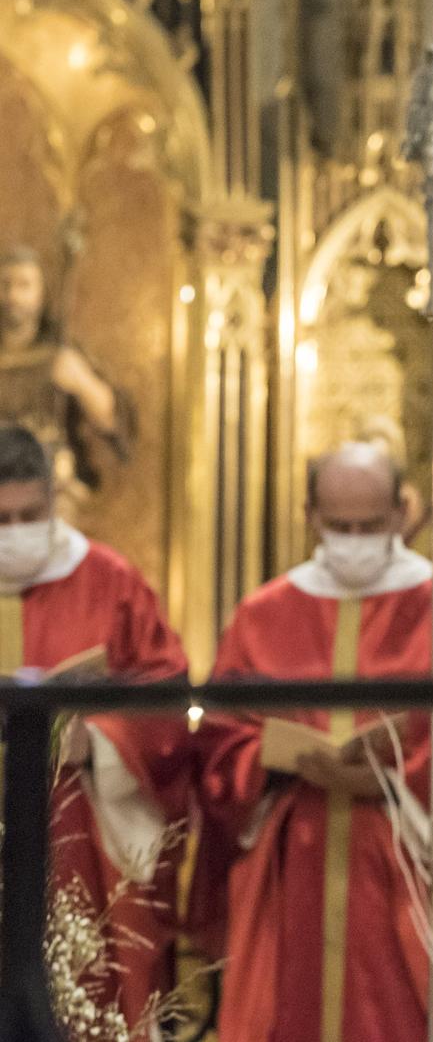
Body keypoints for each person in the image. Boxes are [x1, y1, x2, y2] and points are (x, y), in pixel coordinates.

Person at [197, 441, 433, 1042]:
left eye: (369, 525)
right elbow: (219, 740)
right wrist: (268, 759)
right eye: (339, 525)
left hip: (406, 871)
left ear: (402, 513)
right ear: (310, 514)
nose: (354, 538)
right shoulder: (262, 616)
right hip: (295, 873)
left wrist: (396, 778)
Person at [0, 423, 189, 1024]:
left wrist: (101, 740)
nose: (15, 535)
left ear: (55, 502)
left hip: (82, 833)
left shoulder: (109, 581)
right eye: (0, 519)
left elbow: (164, 695)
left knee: (86, 998)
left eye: (30, 515)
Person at [0, 246, 126, 512]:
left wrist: (82, 382)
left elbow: (112, 420)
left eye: (24, 285)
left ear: (41, 293)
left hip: (49, 487)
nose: (13, 296)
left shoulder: (61, 351)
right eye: (5, 285)